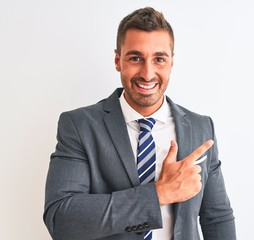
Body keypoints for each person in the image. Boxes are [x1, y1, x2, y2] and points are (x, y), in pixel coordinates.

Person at [43, 6, 236, 240]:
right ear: (117, 60)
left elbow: (217, 217)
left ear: (171, 62)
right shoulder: (79, 125)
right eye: (136, 58)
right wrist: (158, 194)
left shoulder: (201, 128)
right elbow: (61, 219)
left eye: (159, 59)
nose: (147, 73)